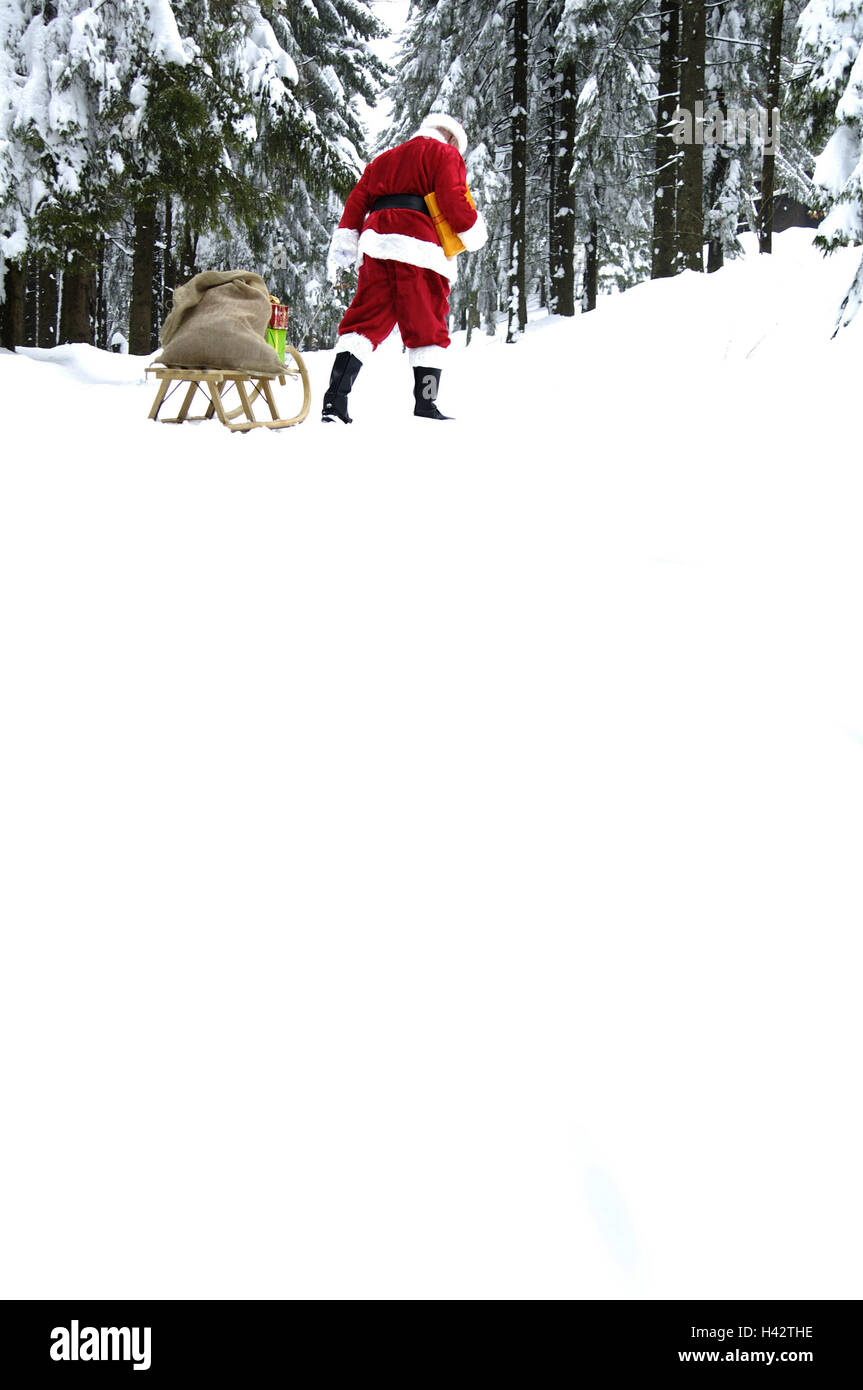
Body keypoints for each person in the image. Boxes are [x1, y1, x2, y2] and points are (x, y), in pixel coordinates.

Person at [321, 112, 488, 423]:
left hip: (377, 247)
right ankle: (426, 404)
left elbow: (356, 202)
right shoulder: (445, 154)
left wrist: (347, 244)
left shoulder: (384, 159)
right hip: (420, 248)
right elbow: (454, 199)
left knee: (363, 322)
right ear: (451, 138)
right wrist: (473, 232)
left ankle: (335, 401)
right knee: (428, 327)